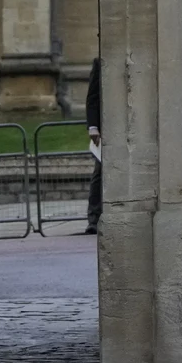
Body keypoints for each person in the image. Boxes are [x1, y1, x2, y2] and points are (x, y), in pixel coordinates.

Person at [82, 58, 102, 235]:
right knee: (100, 172)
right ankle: (94, 219)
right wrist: (93, 127)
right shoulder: (99, 62)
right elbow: (92, 96)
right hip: (105, 128)